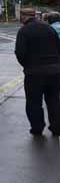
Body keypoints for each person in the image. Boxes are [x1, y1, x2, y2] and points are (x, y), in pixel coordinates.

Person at [14, 8, 60, 136]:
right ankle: (57, 127)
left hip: (34, 72)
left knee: (34, 101)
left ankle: (37, 128)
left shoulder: (24, 31)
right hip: (55, 71)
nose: (19, 17)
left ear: (24, 16)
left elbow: (20, 53)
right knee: (54, 100)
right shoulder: (49, 28)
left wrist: (28, 66)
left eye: (20, 15)